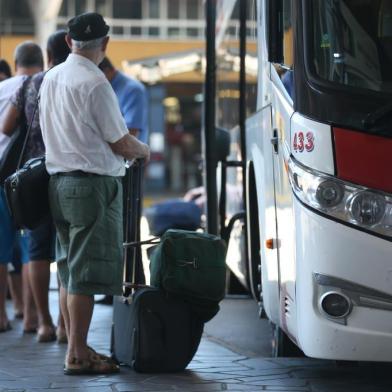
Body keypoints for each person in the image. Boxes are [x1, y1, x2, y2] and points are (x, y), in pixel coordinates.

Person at [39, 12, 150, 375]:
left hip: (58, 183)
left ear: (69, 42)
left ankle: (78, 346)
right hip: (91, 186)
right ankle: (76, 354)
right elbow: (120, 142)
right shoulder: (97, 83)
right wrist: (144, 150)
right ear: (105, 43)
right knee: (85, 275)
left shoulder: (51, 78)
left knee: (70, 269)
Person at [0, 31, 71, 343]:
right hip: (71, 172)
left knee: (36, 250)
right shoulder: (76, 81)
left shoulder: (31, 84)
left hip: (33, 178)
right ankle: (68, 326)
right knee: (69, 250)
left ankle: (42, 323)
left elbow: (6, 126)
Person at [98, 56, 149, 304]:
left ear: (107, 70)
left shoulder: (131, 89)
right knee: (113, 231)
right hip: (110, 168)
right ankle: (113, 286)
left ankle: (130, 285)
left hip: (128, 168)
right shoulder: (104, 87)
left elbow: (131, 134)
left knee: (127, 229)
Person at [0, 42, 44, 333]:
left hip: (0, 176)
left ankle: (1, 317)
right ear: (42, 61)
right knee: (32, 249)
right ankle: (31, 317)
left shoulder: (3, 88)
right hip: (30, 179)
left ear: (15, 62)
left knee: (0, 249)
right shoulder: (42, 84)